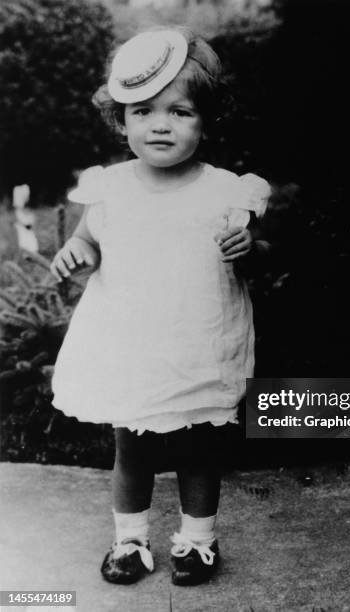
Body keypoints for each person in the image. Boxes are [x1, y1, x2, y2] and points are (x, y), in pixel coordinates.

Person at [50, 27, 271, 586]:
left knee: (198, 447)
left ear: (207, 119)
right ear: (121, 122)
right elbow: (90, 241)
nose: (161, 124)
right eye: (143, 111)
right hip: (130, 343)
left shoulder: (228, 191)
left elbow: (261, 257)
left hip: (198, 340)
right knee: (132, 448)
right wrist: (77, 251)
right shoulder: (110, 188)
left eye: (180, 111)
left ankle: (198, 542)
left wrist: (252, 247)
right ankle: (129, 540)